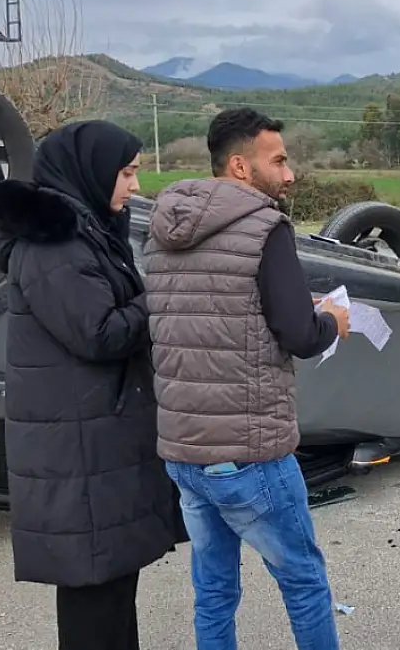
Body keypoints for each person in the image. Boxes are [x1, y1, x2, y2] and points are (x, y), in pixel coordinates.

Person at [142, 108, 352, 650]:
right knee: (303, 581)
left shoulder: (163, 229)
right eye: (278, 160)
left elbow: (208, 312)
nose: (289, 174)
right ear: (240, 165)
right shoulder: (266, 227)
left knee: (213, 588)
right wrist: (332, 321)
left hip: (185, 454)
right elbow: (300, 337)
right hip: (251, 453)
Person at [0, 120, 186, 650]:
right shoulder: (56, 246)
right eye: (127, 172)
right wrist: (160, 295)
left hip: (95, 437)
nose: (135, 186)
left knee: (112, 588)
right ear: (90, 172)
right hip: (78, 447)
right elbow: (98, 333)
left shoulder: (88, 231)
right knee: (95, 596)